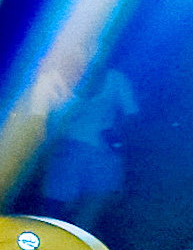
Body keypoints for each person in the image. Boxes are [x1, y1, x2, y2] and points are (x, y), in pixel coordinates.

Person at [40, 64, 138, 227]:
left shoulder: (116, 78)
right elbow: (50, 119)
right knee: (58, 206)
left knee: (94, 204)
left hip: (101, 151)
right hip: (69, 149)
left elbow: (131, 114)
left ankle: (75, 240)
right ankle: (56, 238)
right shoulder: (60, 77)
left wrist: (116, 134)